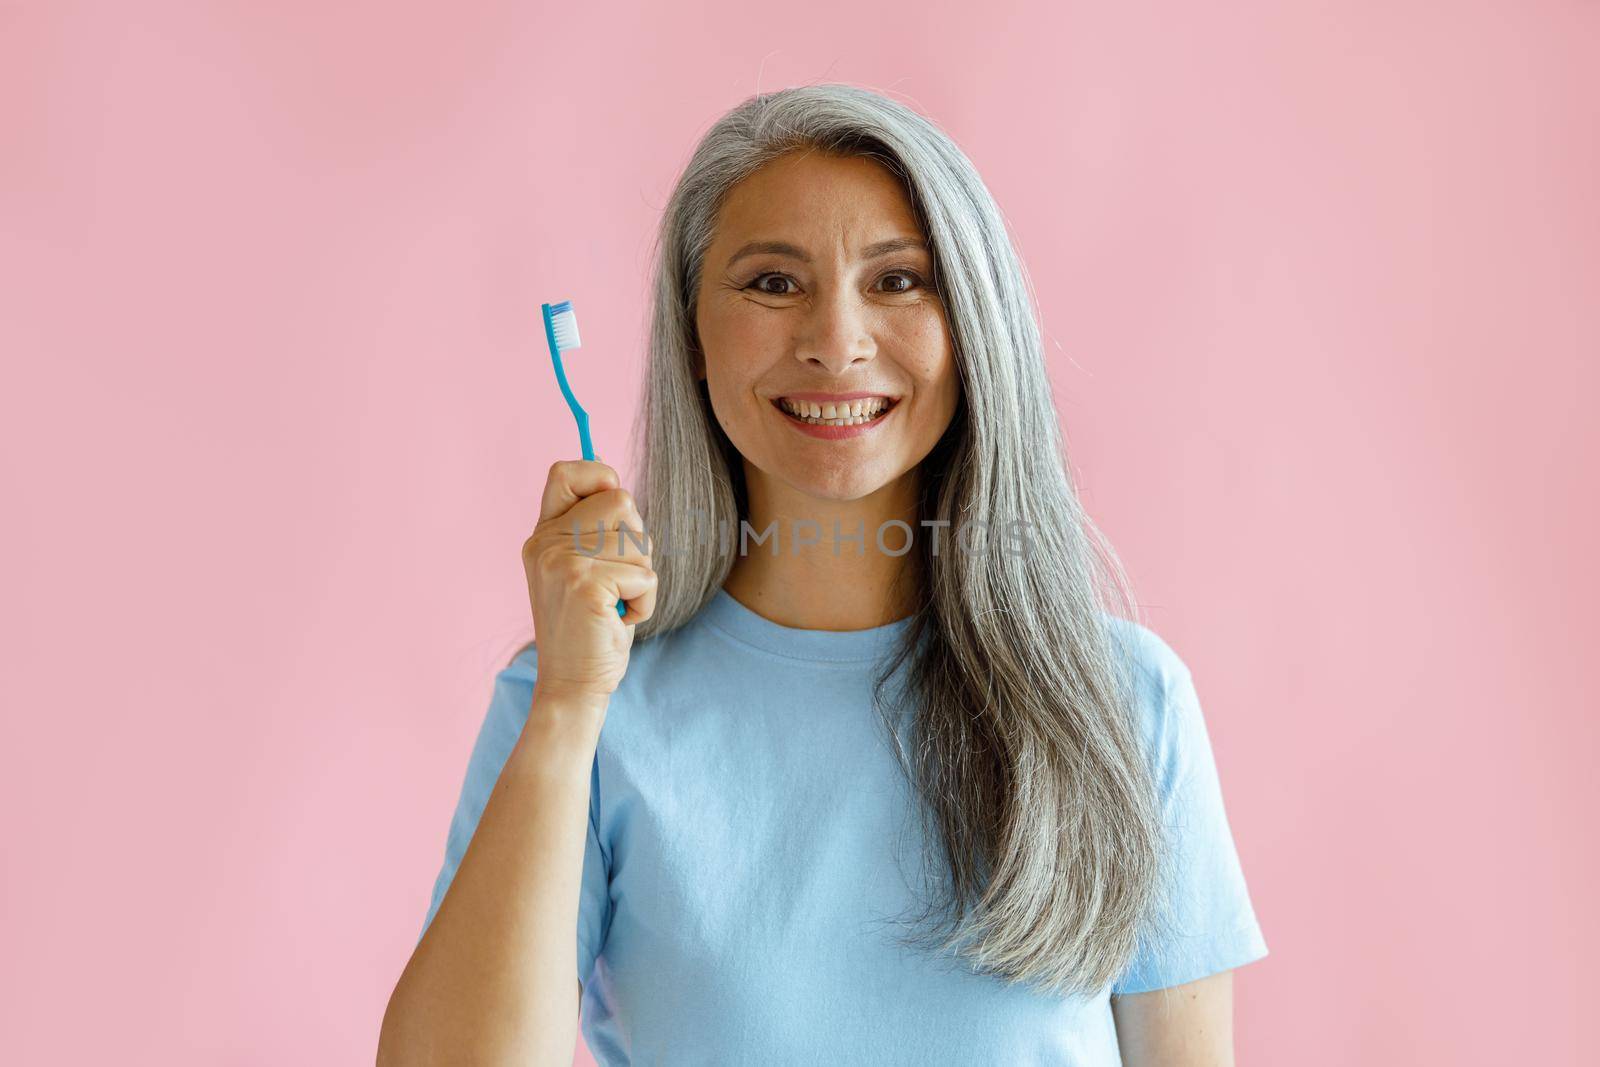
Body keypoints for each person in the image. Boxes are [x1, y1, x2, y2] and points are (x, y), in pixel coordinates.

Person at [378, 83, 1267, 1066]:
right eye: (771, 282)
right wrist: (566, 705)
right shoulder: (580, 707)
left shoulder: (1128, 702)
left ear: (973, 328)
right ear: (693, 336)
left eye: (897, 281)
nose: (834, 342)